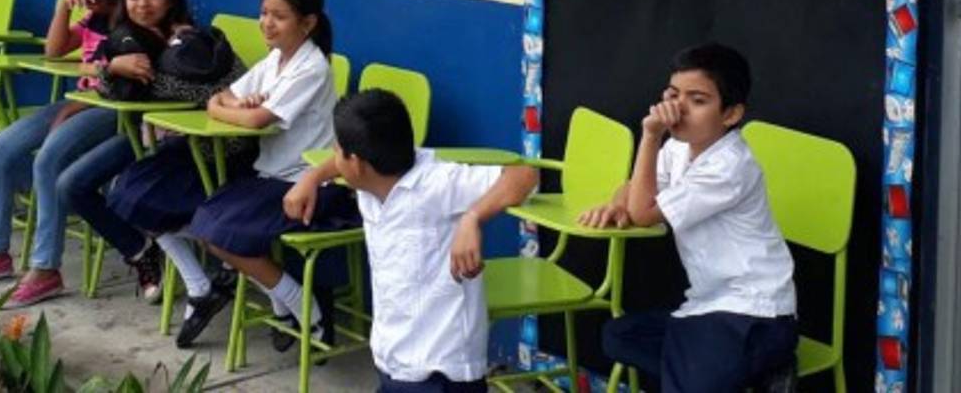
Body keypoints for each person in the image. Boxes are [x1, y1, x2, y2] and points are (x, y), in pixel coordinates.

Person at [150, 0, 357, 349]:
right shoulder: (275, 59)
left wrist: (232, 108)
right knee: (207, 222)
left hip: (307, 184)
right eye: (264, 13)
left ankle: (306, 309)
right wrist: (232, 105)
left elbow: (256, 118)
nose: (266, 23)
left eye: (278, 16)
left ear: (307, 23)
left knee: (220, 233)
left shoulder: (312, 68)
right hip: (269, 176)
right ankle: (285, 303)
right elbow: (220, 96)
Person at [578, 43, 797, 393]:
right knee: (618, 336)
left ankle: (751, 364)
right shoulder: (678, 149)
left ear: (731, 114)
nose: (679, 109)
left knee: (688, 376)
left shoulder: (730, 165)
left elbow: (644, 213)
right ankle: (749, 374)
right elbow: (635, 189)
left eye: (698, 100)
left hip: (753, 311)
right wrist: (617, 204)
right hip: (705, 304)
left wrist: (650, 134)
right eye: (673, 94)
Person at [286, 89, 538, 392]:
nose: (333, 157)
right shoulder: (371, 180)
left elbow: (524, 175)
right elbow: (338, 162)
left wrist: (472, 219)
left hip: (441, 371)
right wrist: (311, 178)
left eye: (337, 150)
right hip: (394, 360)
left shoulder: (437, 182)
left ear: (357, 163)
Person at [0, 0, 145, 308]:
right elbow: (54, 51)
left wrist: (75, 107)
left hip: (113, 110)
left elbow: (126, 85)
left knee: (48, 159)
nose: (90, 5)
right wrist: (63, 9)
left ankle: (45, 269)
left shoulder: (136, 29)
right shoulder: (92, 21)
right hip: (79, 102)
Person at [62, 22, 249, 305]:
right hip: (149, 137)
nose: (143, 5)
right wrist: (112, 68)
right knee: (74, 185)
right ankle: (141, 251)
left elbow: (205, 89)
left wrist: (111, 70)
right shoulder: (130, 40)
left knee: (136, 195)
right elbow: (108, 88)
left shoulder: (190, 46)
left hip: (206, 149)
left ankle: (211, 269)